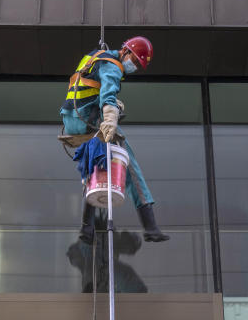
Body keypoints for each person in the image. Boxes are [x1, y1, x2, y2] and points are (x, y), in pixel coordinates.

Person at [60, 36, 169, 244]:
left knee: (96, 162)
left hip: (71, 120)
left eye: (138, 65)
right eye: (135, 61)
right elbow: (107, 94)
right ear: (125, 51)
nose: (134, 66)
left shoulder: (95, 56)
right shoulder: (113, 66)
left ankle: (86, 228)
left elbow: (90, 87)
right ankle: (151, 227)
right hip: (89, 119)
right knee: (128, 162)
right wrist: (110, 118)